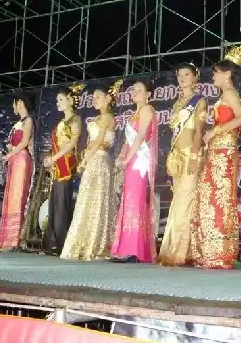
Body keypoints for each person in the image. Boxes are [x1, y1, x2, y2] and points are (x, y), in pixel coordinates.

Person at [190, 44, 241, 269]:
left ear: (226, 74)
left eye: (216, 72)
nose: (213, 76)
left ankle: (218, 252)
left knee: (219, 198)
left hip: (224, 151)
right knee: (211, 197)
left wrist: (215, 131)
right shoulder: (225, 95)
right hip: (217, 150)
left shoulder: (230, 93)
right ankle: (212, 251)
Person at [61, 81, 121, 261]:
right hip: (93, 160)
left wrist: (85, 160)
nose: (94, 100)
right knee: (88, 201)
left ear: (108, 99)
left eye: (98, 97)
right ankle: (85, 243)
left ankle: (96, 245)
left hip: (99, 160)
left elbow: (98, 142)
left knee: (97, 202)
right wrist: (86, 158)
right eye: (93, 97)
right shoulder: (98, 118)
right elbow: (90, 143)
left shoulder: (107, 117)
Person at [158, 63, 207, 266]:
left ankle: (180, 251)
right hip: (177, 156)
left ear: (195, 77)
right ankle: (176, 248)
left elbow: (199, 131)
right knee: (178, 201)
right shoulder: (177, 103)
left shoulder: (199, 101)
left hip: (190, 155)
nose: (182, 78)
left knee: (185, 203)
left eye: (187, 74)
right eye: (179, 75)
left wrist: (194, 156)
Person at [110, 80, 159, 263]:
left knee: (135, 201)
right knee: (129, 200)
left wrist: (127, 158)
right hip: (132, 159)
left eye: (139, 89)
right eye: (133, 89)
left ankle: (134, 250)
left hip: (139, 161)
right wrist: (121, 157)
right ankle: (130, 248)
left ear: (148, 94)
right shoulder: (134, 114)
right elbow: (128, 141)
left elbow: (140, 136)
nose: (135, 92)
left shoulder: (147, 109)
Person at [42, 85, 83, 255]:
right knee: (54, 203)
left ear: (70, 100)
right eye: (57, 100)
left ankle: (61, 243)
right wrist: (50, 157)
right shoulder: (60, 123)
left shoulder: (75, 119)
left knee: (62, 204)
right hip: (57, 166)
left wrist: (55, 157)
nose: (57, 103)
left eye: (61, 99)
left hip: (66, 165)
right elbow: (57, 145)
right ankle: (51, 242)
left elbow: (73, 143)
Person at [0, 94, 34, 252]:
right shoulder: (18, 123)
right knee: (10, 197)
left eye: (14, 104)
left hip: (21, 160)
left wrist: (8, 155)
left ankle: (14, 239)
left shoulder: (28, 120)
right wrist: (8, 153)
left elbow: (24, 143)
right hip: (14, 160)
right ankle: (7, 238)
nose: (13, 107)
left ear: (20, 103)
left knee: (17, 198)